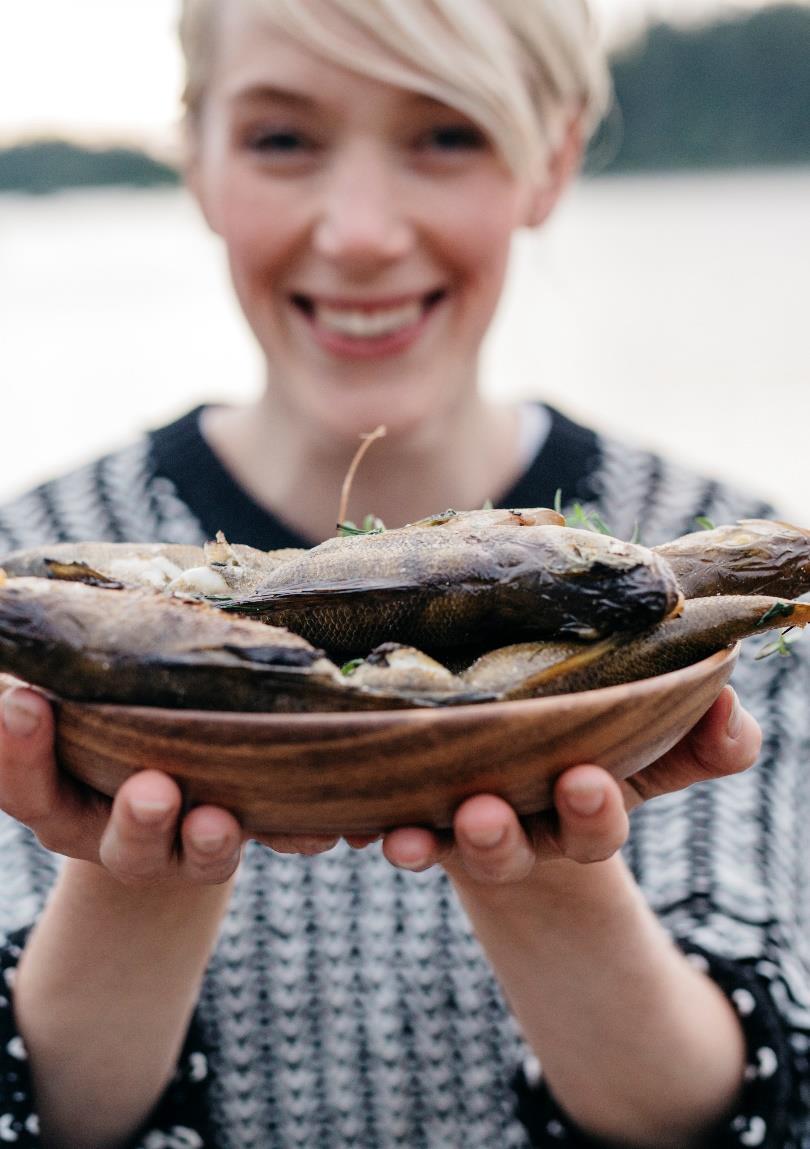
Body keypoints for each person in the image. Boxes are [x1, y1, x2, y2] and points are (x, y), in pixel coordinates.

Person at [0, 1, 808, 1146]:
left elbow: (761, 1113)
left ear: (554, 156)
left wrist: (533, 825)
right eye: (284, 139)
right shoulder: (33, 567)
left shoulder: (728, 580)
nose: (364, 231)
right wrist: (142, 858)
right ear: (198, 158)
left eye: (447, 135)